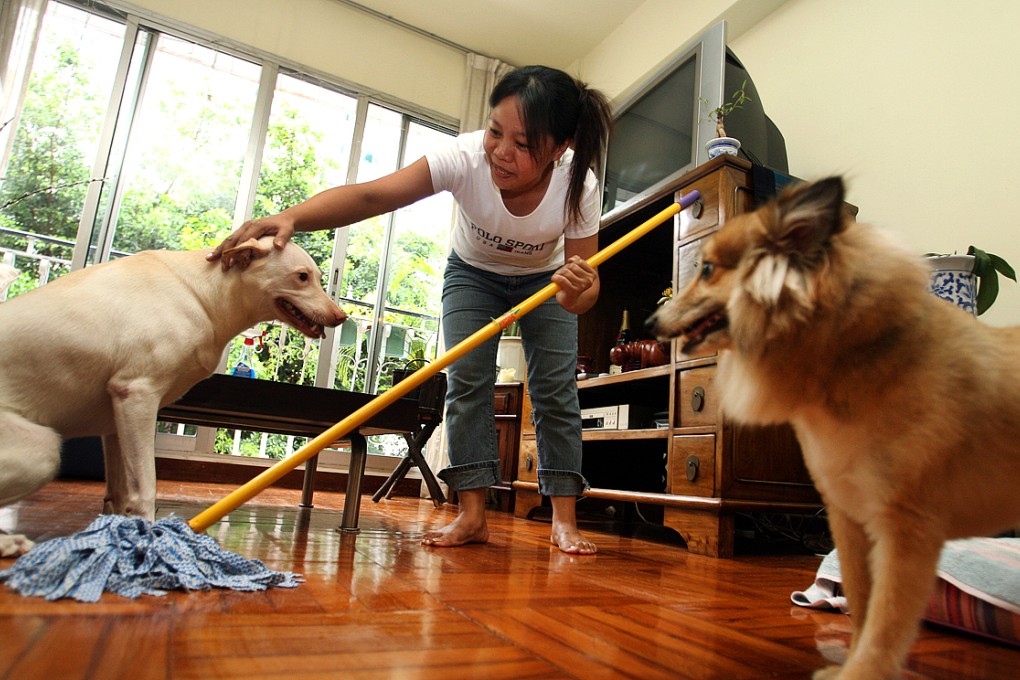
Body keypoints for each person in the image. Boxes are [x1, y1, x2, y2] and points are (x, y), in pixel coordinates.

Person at [209, 65, 613, 555]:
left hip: (545, 281)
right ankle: (472, 516)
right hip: (473, 274)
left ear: (560, 147)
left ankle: (564, 520)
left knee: (555, 387)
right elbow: (371, 195)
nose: (501, 152)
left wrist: (577, 288)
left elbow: (582, 295)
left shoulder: (579, 187)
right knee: (467, 381)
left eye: (524, 144)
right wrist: (291, 217)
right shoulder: (464, 158)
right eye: (495, 131)